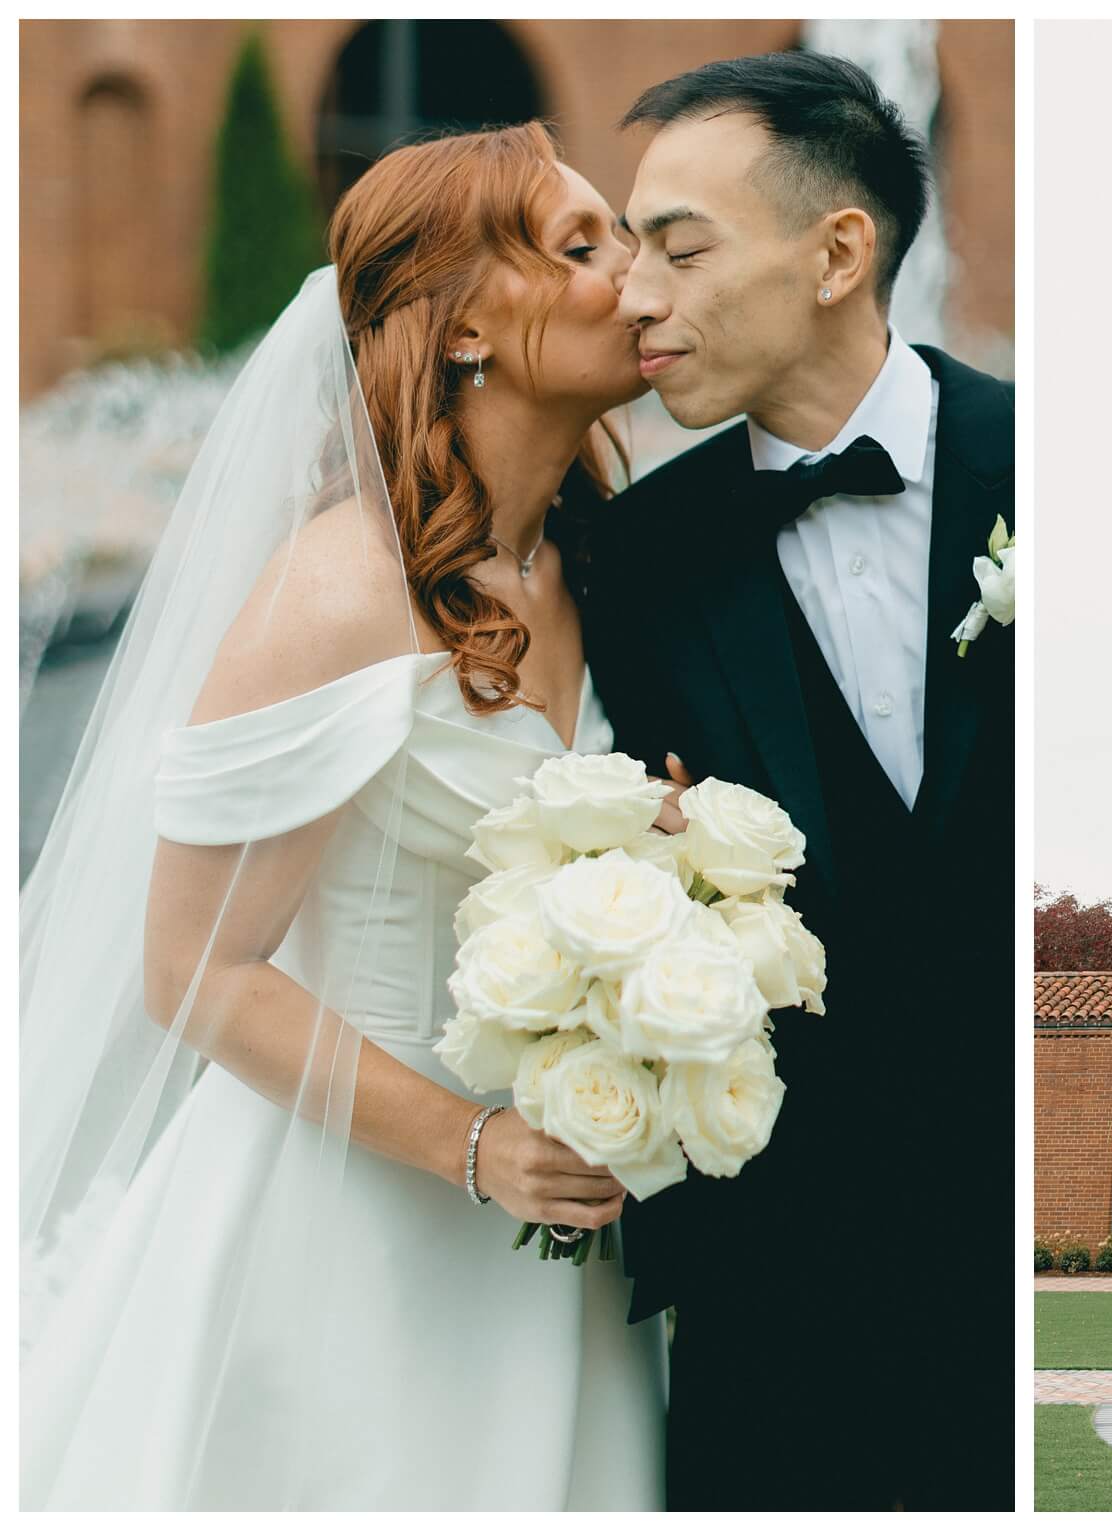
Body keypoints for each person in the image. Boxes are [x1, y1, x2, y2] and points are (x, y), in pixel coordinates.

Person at [19, 124, 671, 1510]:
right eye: (583, 244)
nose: (639, 270)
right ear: (466, 331)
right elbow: (193, 968)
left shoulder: (598, 565)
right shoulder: (338, 593)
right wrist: (473, 1145)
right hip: (340, 1248)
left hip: (558, 1249)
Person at [577, 53, 1015, 1511]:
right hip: (780, 1300)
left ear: (840, 252)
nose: (636, 295)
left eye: (678, 247)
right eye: (628, 247)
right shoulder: (631, 565)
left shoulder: (1047, 460)